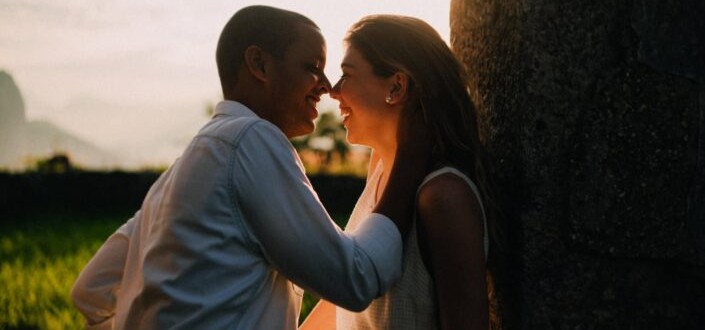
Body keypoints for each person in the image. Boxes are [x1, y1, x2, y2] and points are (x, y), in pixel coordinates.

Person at [71, 6, 432, 330]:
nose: (324, 87)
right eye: (311, 67)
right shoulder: (251, 139)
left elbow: (91, 291)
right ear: (259, 64)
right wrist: (408, 160)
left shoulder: (181, 172)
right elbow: (356, 279)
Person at [300, 15, 494, 329]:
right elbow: (341, 304)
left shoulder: (444, 197)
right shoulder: (380, 169)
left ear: (396, 86)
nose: (333, 92)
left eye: (346, 75)